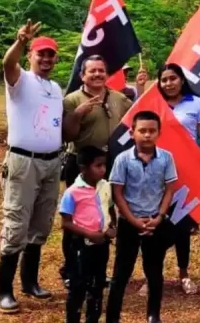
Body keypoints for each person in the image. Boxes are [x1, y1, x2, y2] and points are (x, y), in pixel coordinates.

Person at [0, 21, 62, 314]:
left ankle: (30, 282)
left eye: (51, 56)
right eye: (41, 54)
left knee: (40, 225)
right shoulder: (20, 79)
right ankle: (5, 291)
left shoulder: (55, 88)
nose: (46, 60)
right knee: (16, 225)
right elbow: (7, 63)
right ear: (31, 56)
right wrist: (21, 41)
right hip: (24, 162)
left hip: (51, 164)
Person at [61, 55, 133, 286]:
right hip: (81, 163)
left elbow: (134, 120)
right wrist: (78, 114)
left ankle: (98, 271)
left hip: (110, 163)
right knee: (78, 218)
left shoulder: (119, 98)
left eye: (101, 70)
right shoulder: (71, 100)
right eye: (91, 71)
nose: (97, 75)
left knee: (104, 215)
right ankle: (72, 271)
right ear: (82, 75)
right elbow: (67, 135)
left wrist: (141, 87)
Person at [106, 111, 177, 323]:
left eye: (152, 131)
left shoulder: (166, 157)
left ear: (159, 133)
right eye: (142, 131)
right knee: (121, 273)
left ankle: (153, 314)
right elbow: (117, 192)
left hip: (155, 223)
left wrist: (160, 216)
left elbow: (169, 189)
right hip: (130, 223)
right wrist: (132, 219)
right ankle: (112, 316)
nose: (147, 135)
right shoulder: (123, 159)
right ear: (132, 132)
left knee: (154, 271)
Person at [154, 63, 200, 295]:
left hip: (187, 174)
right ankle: (152, 274)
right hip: (157, 173)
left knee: (182, 226)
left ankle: (183, 273)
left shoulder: (196, 103)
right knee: (156, 224)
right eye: (164, 79)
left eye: (173, 78)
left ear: (181, 80)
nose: (169, 83)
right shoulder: (154, 104)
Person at [61, 146, 116, 323]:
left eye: (104, 165)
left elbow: (110, 209)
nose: (103, 169)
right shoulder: (72, 193)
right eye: (98, 166)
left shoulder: (106, 186)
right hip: (80, 246)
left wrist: (112, 227)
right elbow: (66, 223)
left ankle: (93, 318)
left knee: (97, 285)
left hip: (102, 244)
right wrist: (89, 234)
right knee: (78, 286)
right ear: (84, 168)